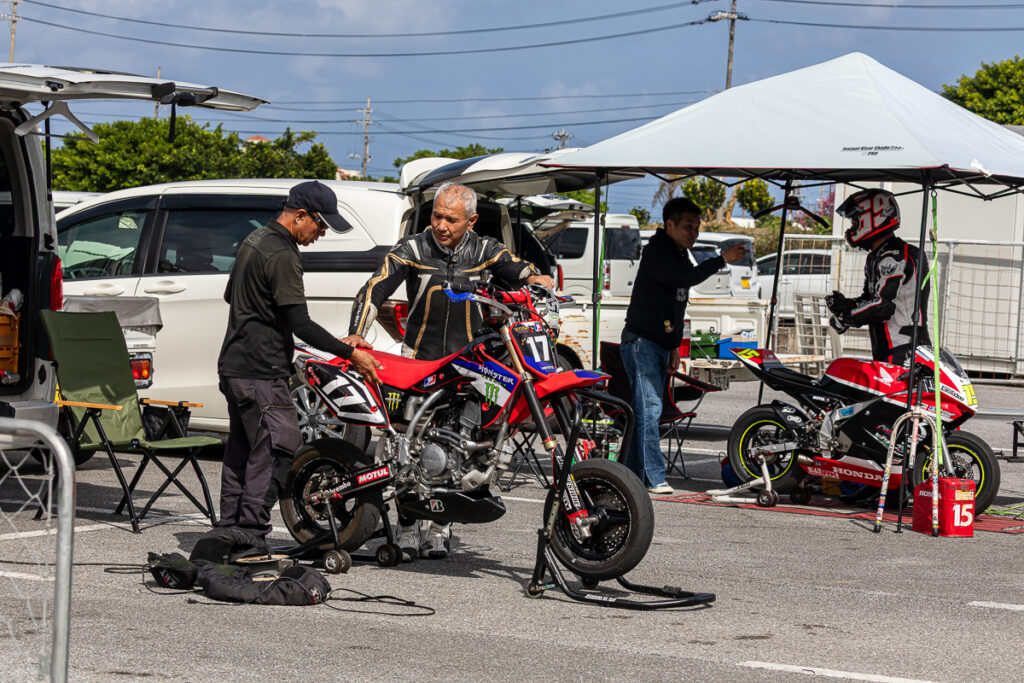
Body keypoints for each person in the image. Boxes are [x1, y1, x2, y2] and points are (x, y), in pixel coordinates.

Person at [345, 181, 554, 559]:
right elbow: (374, 289)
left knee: (461, 446)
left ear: (470, 221)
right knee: (407, 446)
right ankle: (407, 526)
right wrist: (357, 333)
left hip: (468, 365)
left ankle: (440, 528)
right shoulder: (411, 248)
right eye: (437, 216)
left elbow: (518, 268)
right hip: (418, 361)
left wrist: (535, 278)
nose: (441, 225)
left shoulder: (486, 249)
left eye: (451, 219)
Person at [217, 180, 381, 538]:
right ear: (300, 215)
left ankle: (228, 530)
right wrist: (351, 354)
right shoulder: (282, 253)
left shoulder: (254, 240)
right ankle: (250, 534)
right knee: (279, 446)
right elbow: (301, 324)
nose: (321, 234)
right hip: (261, 370)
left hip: (235, 365)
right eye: (320, 225)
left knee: (242, 451)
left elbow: (232, 295)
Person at [620, 197, 747, 495]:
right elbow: (685, 279)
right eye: (688, 226)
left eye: (697, 227)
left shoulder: (677, 253)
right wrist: (721, 259)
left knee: (645, 412)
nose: (694, 233)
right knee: (649, 410)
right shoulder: (657, 251)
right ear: (670, 225)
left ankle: (630, 475)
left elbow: (676, 301)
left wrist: (674, 346)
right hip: (642, 342)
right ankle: (653, 478)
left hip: (659, 344)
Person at [826, 188, 929, 366]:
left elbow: (883, 306)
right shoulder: (876, 256)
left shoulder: (896, 255)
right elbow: (871, 299)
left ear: (873, 218)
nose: (852, 228)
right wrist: (847, 305)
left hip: (905, 350)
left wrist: (847, 317)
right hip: (890, 347)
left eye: (855, 221)